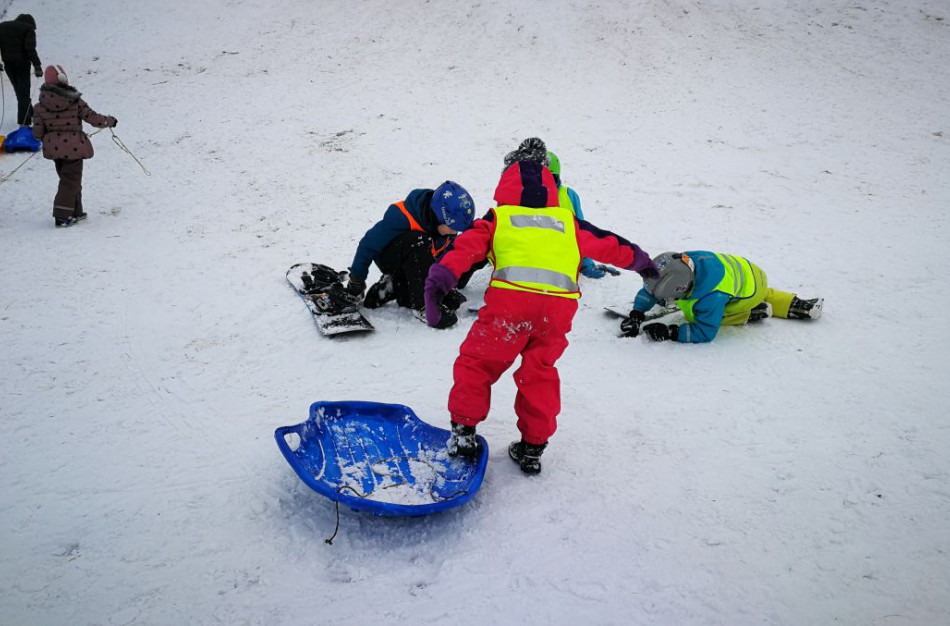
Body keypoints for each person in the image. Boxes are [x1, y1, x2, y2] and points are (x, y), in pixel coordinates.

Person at [423, 160, 658, 474]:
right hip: (557, 310)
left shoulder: (499, 217)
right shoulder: (567, 222)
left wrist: (439, 281)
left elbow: (466, 248)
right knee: (540, 371)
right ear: (550, 190)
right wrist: (643, 264)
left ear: (504, 186)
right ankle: (532, 447)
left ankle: (464, 433)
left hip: (510, 306)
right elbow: (610, 244)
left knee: (478, 363)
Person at [620, 251, 824, 343]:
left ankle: (748, 312)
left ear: (682, 287)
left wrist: (671, 332)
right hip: (752, 273)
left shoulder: (710, 295)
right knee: (764, 292)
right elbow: (652, 288)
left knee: (692, 314)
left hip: (747, 295)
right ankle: (796, 305)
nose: (663, 303)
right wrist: (637, 312)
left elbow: (705, 332)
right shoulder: (681, 261)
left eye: (666, 299)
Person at [344, 181, 476, 324]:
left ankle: (395, 286)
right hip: (391, 257)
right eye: (452, 227)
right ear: (438, 217)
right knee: (418, 240)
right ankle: (423, 307)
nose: (454, 232)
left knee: (453, 300)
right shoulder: (401, 217)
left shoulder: (445, 228)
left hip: (417, 264)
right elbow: (367, 245)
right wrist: (356, 281)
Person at [502, 137, 612, 278]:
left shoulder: (568, 195)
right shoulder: (518, 196)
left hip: (555, 262)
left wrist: (586, 263)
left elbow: (581, 232)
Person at [32, 65, 117, 227]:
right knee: (70, 181)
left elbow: (37, 132)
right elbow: (94, 118)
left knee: (69, 179)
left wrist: (50, 140)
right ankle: (62, 216)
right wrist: (110, 121)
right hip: (74, 149)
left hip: (54, 151)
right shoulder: (75, 101)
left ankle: (75, 212)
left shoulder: (40, 106)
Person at [0, 14, 43, 126]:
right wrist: (37, 66)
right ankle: (24, 123)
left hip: (8, 64)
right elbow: (30, 48)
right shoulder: (28, 29)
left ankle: (32, 114)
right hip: (22, 64)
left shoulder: (2, 27)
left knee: (20, 92)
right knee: (23, 93)